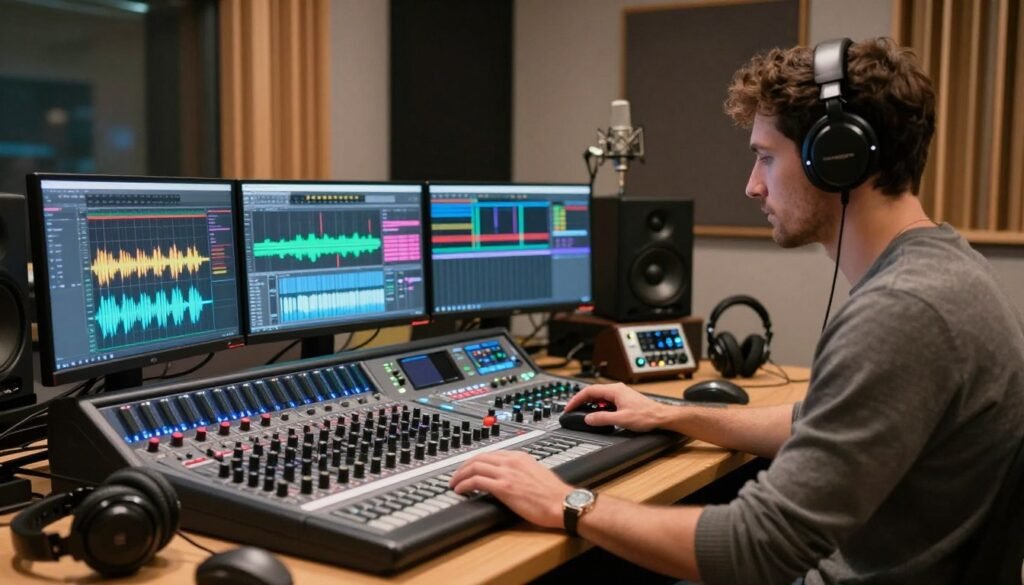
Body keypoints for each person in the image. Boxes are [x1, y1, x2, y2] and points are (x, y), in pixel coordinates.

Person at [449, 37, 1024, 584]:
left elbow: (756, 549)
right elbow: (820, 423)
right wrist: (673, 413)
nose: (752, 186)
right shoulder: (947, 269)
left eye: (766, 158)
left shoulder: (903, 312)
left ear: (837, 158)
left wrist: (567, 502)